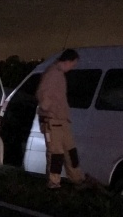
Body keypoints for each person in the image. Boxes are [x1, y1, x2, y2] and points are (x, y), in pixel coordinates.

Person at [36, 48, 94, 190]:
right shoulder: (52, 74)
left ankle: (78, 179)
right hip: (52, 121)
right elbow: (43, 95)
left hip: (62, 121)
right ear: (67, 61)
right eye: (73, 64)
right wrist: (47, 109)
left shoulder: (59, 74)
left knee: (70, 151)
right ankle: (53, 183)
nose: (72, 67)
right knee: (56, 154)